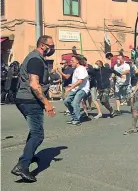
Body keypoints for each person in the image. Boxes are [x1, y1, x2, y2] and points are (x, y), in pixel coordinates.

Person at [12, 35, 56, 182]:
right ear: (43, 46)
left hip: (25, 99)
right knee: (38, 134)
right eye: (51, 45)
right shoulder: (36, 59)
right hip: (30, 100)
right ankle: (23, 166)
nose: (53, 48)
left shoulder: (34, 58)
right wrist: (47, 103)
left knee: (34, 130)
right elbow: (34, 84)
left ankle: (27, 157)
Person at [63, 55, 90, 125]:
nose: (71, 62)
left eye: (72, 61)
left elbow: (80, 81)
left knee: (75, 102)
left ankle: (77, 119)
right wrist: (72, 85)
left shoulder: (81, 68)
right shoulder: (76, 69)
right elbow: (77, 81)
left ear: (77, 61)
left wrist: (70, 88)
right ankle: (74, 117)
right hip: (76, 88)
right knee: (66, 101)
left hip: (83, 89)